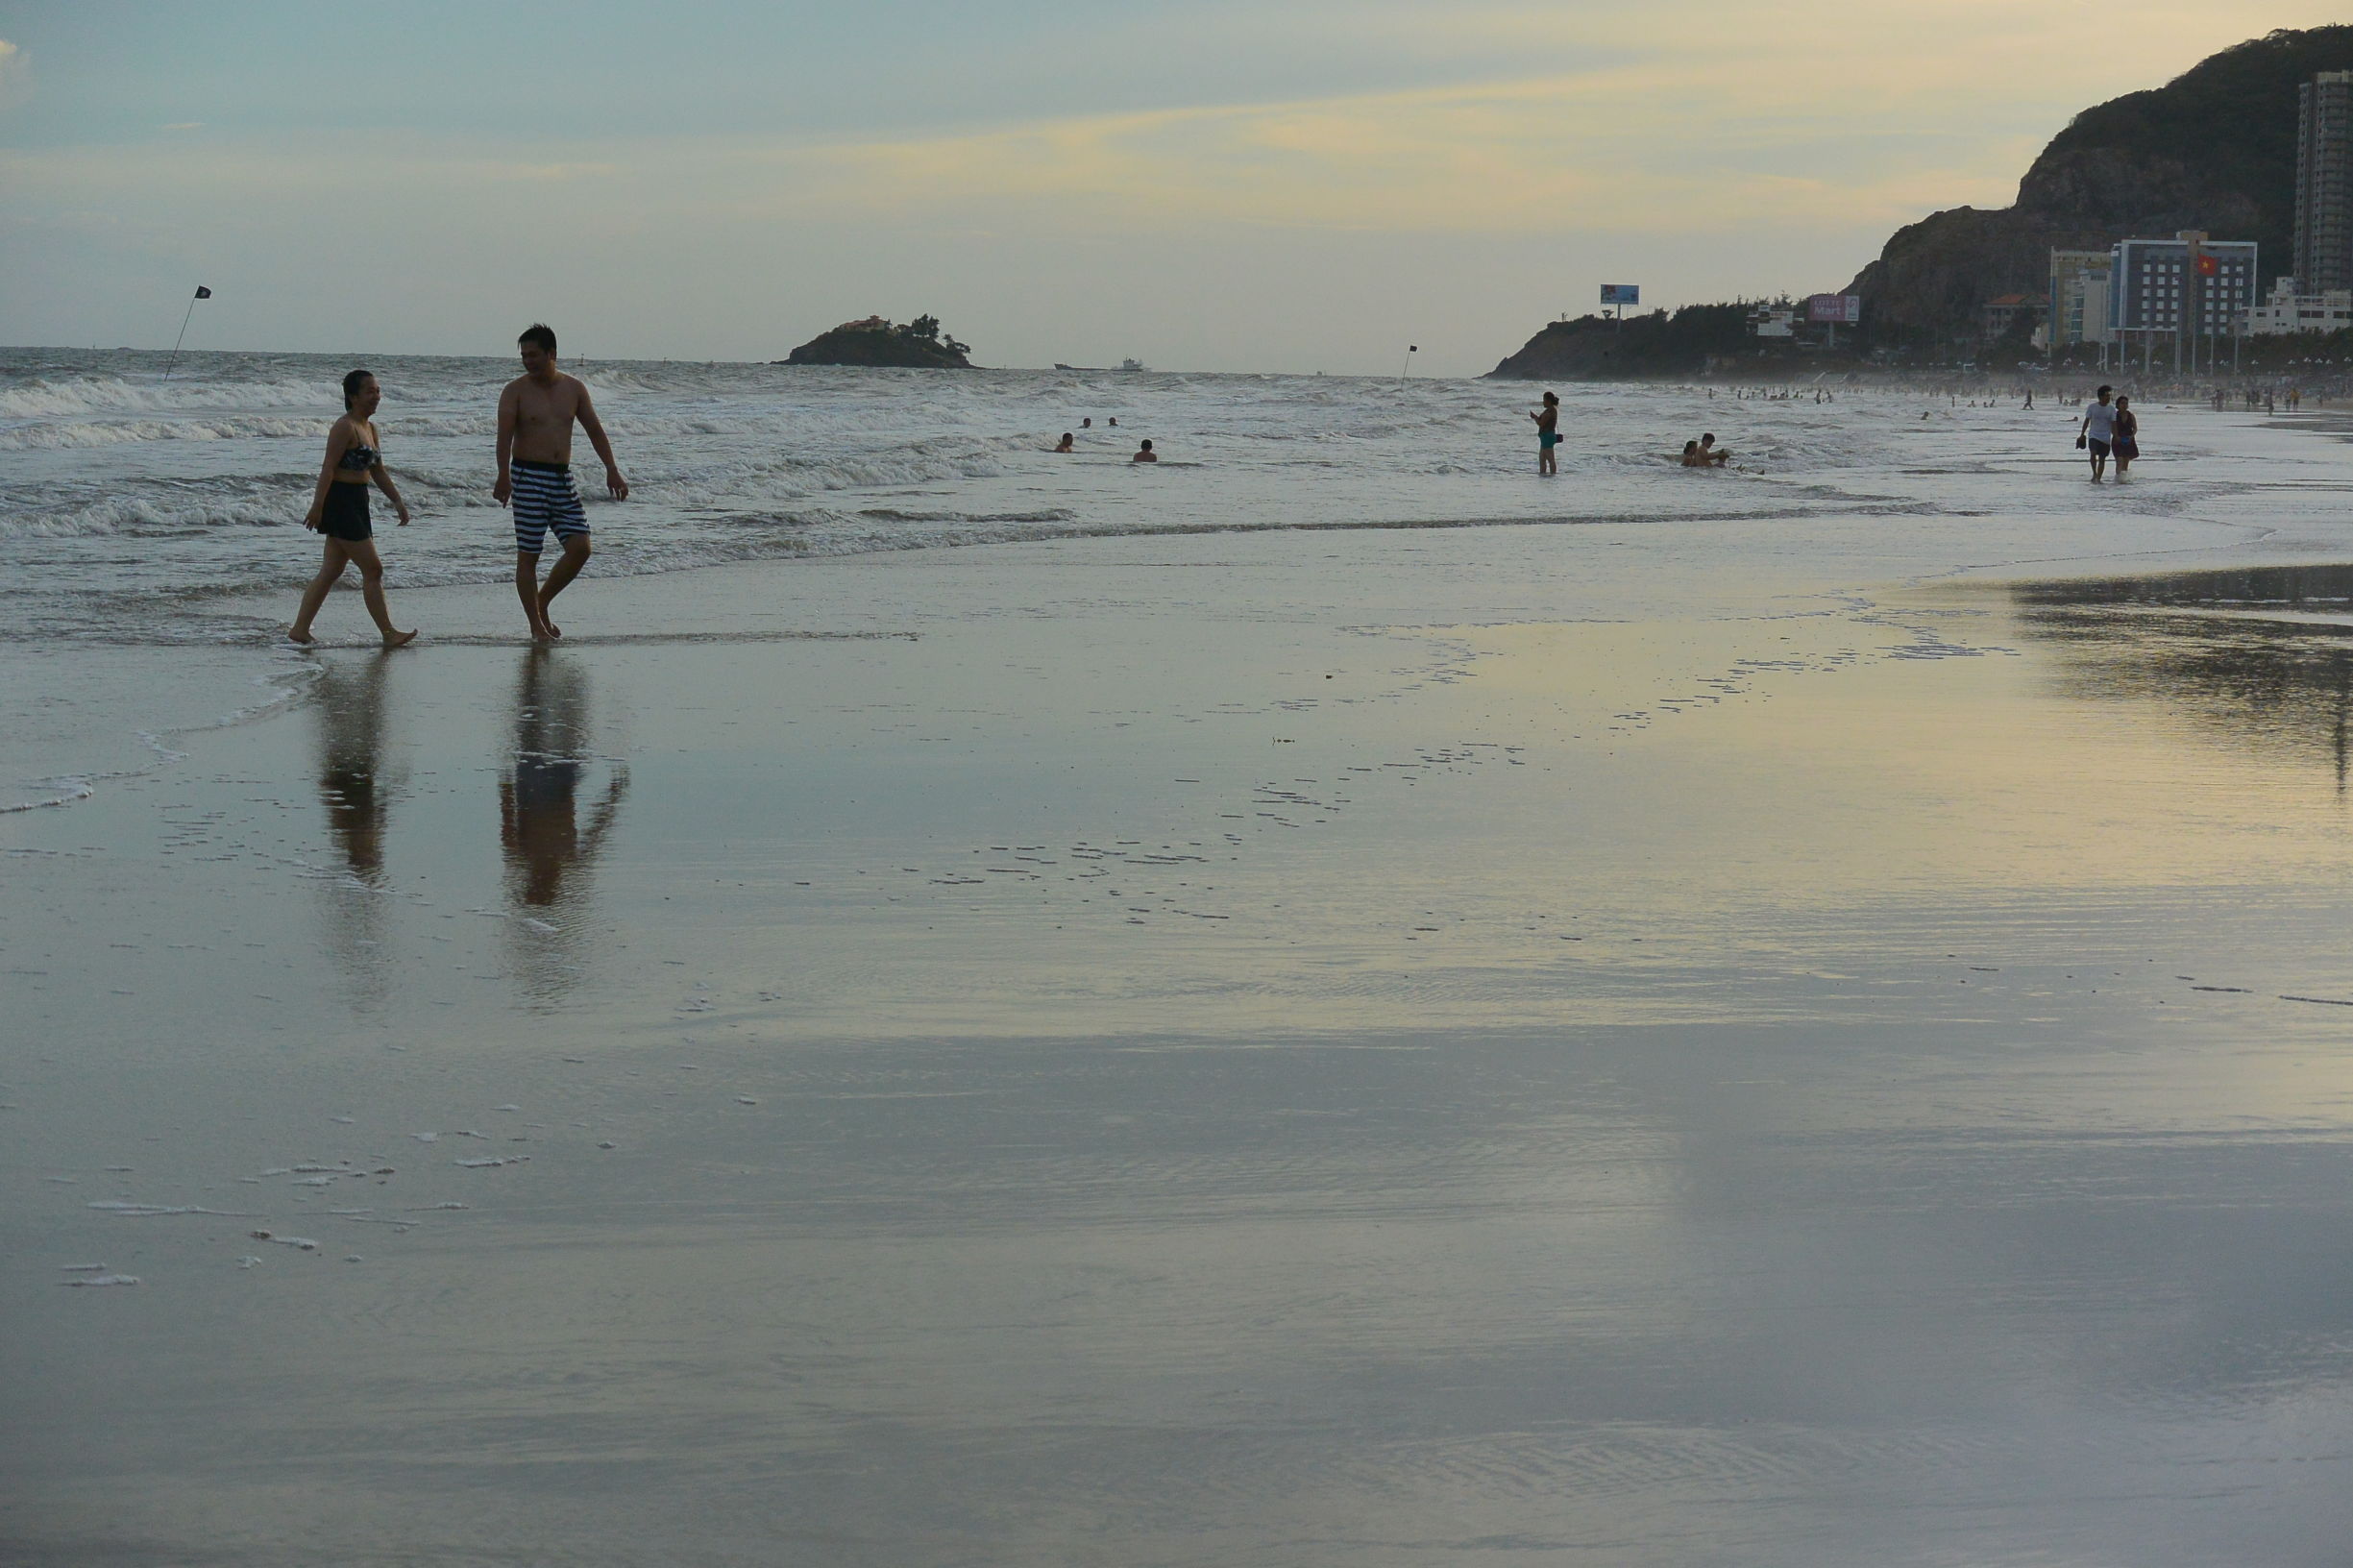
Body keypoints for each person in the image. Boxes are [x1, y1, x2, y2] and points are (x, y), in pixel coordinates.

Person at [495, 324, 627, 641]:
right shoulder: (515, 391)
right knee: (529, 555)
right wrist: (502, 475)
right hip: (527, 477)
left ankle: (540, 603)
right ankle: (536, 625)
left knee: (580, 547)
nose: (528, 361)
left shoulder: (574, 389)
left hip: (561, 477)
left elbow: (595, 431)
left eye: (534, 355)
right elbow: (504, 437)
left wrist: (612, 468)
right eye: (524, 355)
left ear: (552, 354)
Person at [289, 369, 416, 647]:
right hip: (341, 502)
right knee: (373, 570)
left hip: (359, 501)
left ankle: (299, 629)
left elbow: (378, 471)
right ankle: (388, 633)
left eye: (378, 391)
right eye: (370, 391)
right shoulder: (344, 427)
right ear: (352, 396)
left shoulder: (370, 429)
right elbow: (328, 468)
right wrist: (317, 506)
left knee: (331, 571)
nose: (376, 397)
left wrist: (397, 501)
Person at [2077, 384, 2117, 482]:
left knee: (2102, 459)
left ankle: (2098, 478)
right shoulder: (2092, 407)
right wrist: (2082, 434)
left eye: (2109, 395)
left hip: (2105, 437)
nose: (2109, 397)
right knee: (2093, 453)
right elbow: (2087, 421)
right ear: (2101, 396)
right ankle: (2094, 473)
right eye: (2107, 395)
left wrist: (2116, 436)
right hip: (2093, 435)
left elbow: (2113, 424)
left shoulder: (2111, 409)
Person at [1530, 391, 1559, 476]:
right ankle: (1543, 475)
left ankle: (1552, 475)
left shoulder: (1550, 411)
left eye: (1544, 400)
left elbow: (1541, 423)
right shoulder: (1551, 410)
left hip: (1547, 436)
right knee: (1542, 458)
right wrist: (1535, 417)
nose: (1543, 402)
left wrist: (1534, 417)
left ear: (1549, 401)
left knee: (1550, 458)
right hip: (1546, 436)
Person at [2111, 395, 2139, 480]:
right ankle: (2118, 479)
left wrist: (2131, 436)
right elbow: (2112, 428)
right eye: (2122, 403)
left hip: (2129, 440)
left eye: (2126, 403)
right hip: (2117, 440)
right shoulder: (2114, 415)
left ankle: (2124, 480)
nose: (2124, 405)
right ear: (2118, 404)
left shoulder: (2131, 415)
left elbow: (2135, 428)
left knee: (2126, 462)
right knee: (2119, 461)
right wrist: (2116, 436)